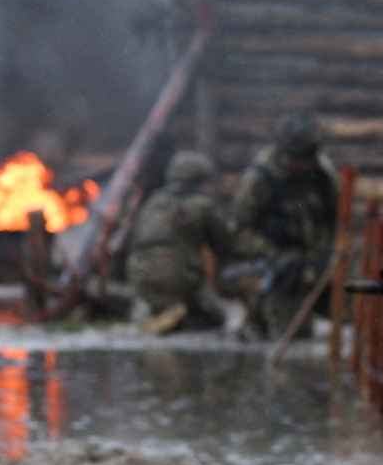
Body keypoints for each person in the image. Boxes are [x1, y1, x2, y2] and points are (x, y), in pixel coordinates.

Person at [230, 111, 339, 339]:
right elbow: (239, 232)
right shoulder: (260, 179)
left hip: (317, 260)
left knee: (355, 308)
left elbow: (335, 220)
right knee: (295, 334)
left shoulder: (323, 176)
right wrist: (274, 254)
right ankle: (258, 314)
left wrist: (327, 254)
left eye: (308, 156)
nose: (303, 164)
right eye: (297, 157)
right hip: (279, 264)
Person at [126, 151, 233, 334]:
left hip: (139, 276)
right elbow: (225, 245)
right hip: (179, 278)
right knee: (216, 318)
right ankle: (180, 317)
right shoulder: (202, 205)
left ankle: (158, 314)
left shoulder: (153, 201)